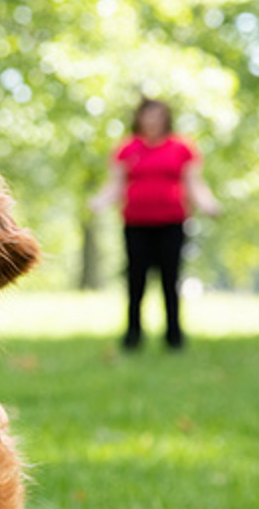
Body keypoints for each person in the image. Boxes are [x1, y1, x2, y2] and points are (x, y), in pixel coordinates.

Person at [90, 98, 220, 350]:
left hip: (171, 223)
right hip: (136, 223)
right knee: (135, 280)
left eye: (157, 115)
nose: (152, 120)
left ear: (166, 118)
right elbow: (114, 184)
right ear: (139, 118)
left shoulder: (182, 148)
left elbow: (195, 183)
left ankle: (174, 338)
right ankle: (132, 337)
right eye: (147, 115)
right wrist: (99, 202)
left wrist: (208, 204)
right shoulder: (126, 149)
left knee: (170, 280)